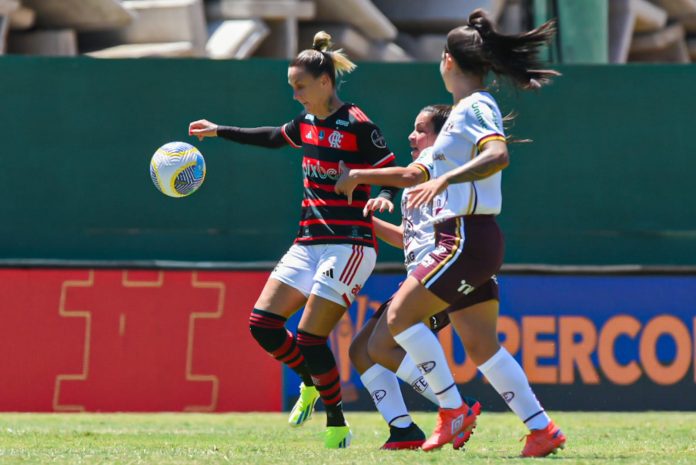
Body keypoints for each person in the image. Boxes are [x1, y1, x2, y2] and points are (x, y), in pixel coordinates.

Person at [335, 9, 566, 457]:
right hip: (469, 239)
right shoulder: (459, 117)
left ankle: (452, 412)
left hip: (463, 237)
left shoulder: (476, 105)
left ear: (448, 60)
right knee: (483, 347)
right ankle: (542, 429)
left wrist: (445, 180)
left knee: (399, 319)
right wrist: (360, 176)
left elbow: (498, 155)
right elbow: (414, 172)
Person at [188, 31, 398, 449]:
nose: (295, 94)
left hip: (350, 243)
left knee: (308, 338)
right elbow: (271, 136)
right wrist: (218, 131)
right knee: (263, 325)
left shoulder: (357, 124)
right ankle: (309, 381)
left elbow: (390, 169)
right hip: (308, 242)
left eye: (300, 86)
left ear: (325, 82)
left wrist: (385, 198)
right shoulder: (306, 123)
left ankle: (337, 422)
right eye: (291, 87)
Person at [349, 104, 483, 451]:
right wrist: (362, 219)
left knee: (380, 346)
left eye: (421, 129)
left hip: (437, 276)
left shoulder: (438, 166)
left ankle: (455, 405)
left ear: (441, 137)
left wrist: (360, 175)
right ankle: (403, 430)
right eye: (414, 127)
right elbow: (407, 239)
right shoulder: (419, 173)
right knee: (361, 351)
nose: (412, 135)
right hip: (418, 274)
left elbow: (409, 180)